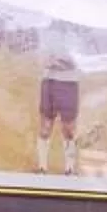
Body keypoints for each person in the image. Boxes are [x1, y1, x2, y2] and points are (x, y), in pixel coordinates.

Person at [35, 39, 82, 176]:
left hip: (70, 84)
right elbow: (43, 59)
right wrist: (61, 62)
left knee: (69, 130)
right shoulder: (48, 29)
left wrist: (57, 62)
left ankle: (69, 169)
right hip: (49, 82)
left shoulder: (77, 31)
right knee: (45, 127)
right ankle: (42, 168)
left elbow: (77, 61)